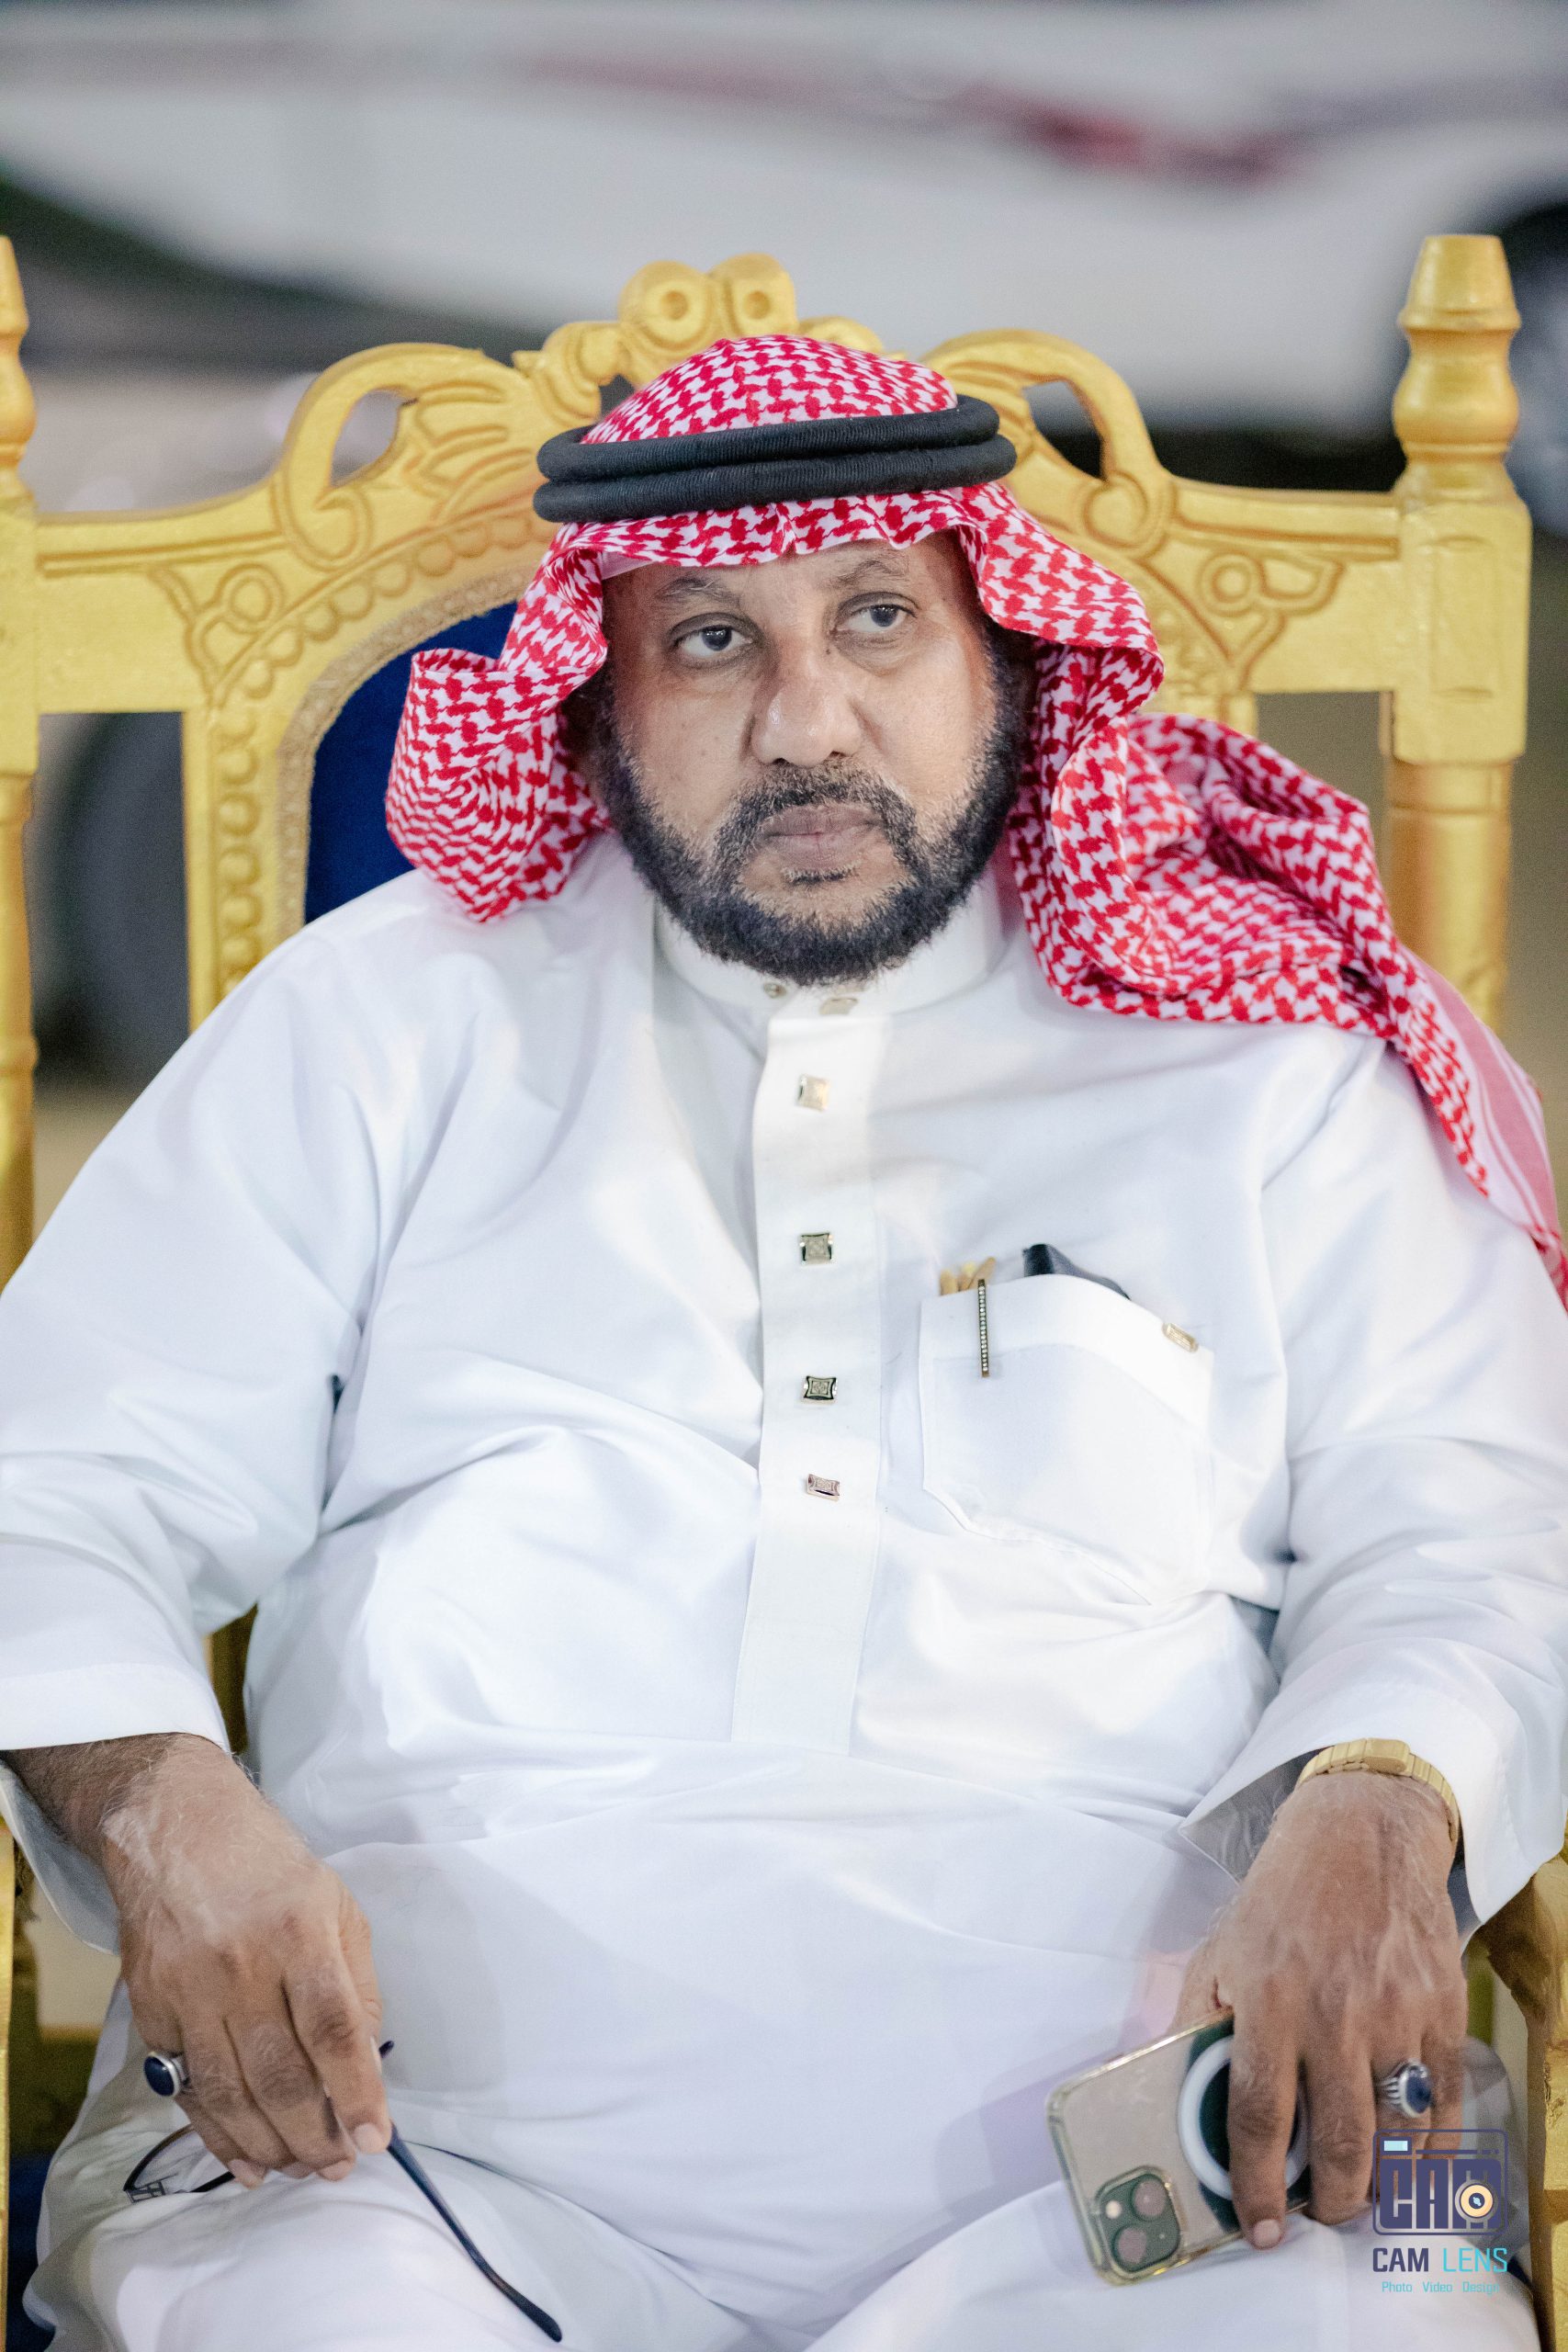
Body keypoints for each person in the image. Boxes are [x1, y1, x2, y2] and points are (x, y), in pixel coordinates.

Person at [1, 334, 1564, 2352]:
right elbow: (51, 1479)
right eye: (713, 639)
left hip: (1197, 2160)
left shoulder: (1271, 1061)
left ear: (1005, 651)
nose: (806, 721)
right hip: (398, 2163)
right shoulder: (383, 1022)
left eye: (878, 619)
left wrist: (1381, 1810)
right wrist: (166, 1815)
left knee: (1389, 2314)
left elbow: (1483, 1523)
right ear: (598, 693)